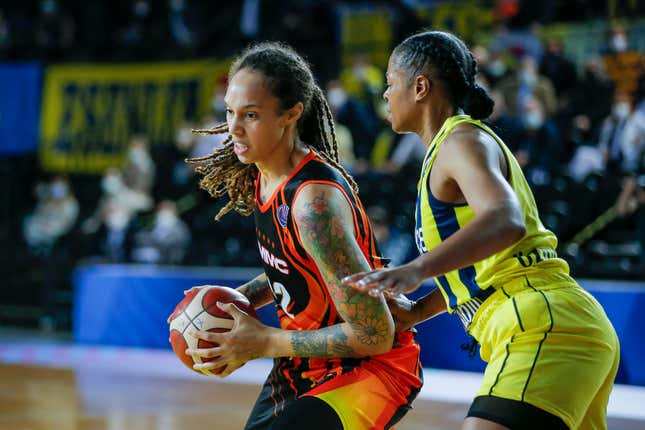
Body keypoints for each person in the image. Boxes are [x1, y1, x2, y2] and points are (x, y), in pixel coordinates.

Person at [343, 31, 620, 430]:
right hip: (560, 322)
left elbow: (506, 219)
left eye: (390, 83)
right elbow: (485, 261)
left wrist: (416, 269)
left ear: (419, 87)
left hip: (541, 324)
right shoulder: (454, 144)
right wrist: (418, 311)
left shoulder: (460, 140)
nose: (385, 95)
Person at [181, 42, 422, 430]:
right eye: (230, 111)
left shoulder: (313, 203)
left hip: (368, 368)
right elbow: (297, 268)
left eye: (251, 115)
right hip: (302, 364)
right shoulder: (264, 172)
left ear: (291, 115)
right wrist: (235, 301)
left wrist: (262, 341)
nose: (234, 128)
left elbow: (374, 334)